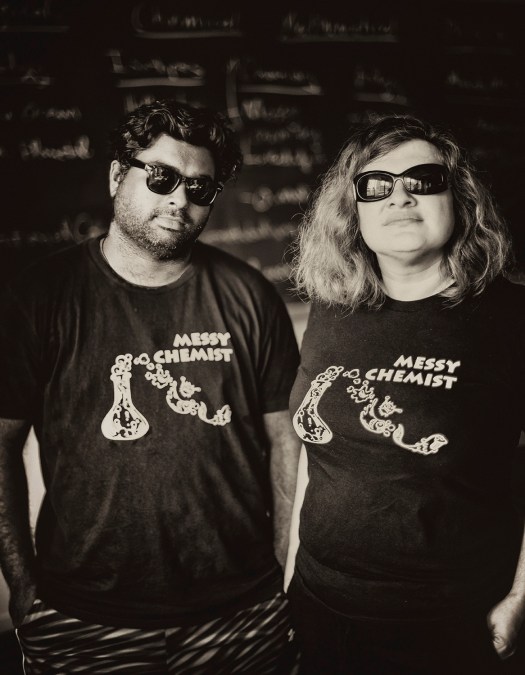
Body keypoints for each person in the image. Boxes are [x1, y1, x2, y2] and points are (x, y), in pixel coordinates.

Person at [0, 99, 301, 674]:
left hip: (242, 611)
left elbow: (286, 438)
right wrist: (22, 582)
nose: (179, 199)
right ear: (118, 175)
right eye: (161, 177)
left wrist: (286, 563)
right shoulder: (40, 297)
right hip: (81, 616)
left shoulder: (250, 296)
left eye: (200, 187)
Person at [285, 113, 525, 674]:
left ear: (459, 199)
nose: (400, 196)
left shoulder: (512, 317)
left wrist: (522, 595)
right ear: (354, 211)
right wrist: (294, 570)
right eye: (375, 185)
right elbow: (316, 455)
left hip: (452, 622)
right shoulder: (333, 308)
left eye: (424, 180)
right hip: (323, 607)